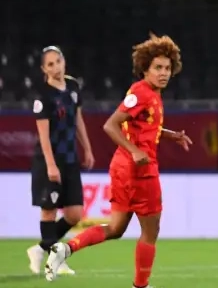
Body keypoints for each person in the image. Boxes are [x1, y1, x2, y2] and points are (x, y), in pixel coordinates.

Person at [45, 34, 193, 286]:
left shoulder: (150, 94)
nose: (163, 73)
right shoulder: (142, 92)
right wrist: (134, 151)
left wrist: (170, 135)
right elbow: (110, 125)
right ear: (145, 68)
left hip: (122, 167)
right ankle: (141, 285)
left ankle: (66, 249)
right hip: (139, 169)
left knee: (115, 228)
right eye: (158, 67)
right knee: (150, 232)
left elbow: (143, 126)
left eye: (167, 68)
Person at [26, 46, 93, 276]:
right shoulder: (43, 95)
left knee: (75, 214)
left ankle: (40, 249)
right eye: (50, 64)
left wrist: (87, 148)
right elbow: (43, 135)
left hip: (70, 159)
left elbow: (78, 120)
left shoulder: (73, 87)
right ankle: (55, 259)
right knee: (49, 211)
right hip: (49, 161)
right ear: (44, 69)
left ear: (64, 61)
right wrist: (51, 165)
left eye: (58, 61)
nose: (56, 67)